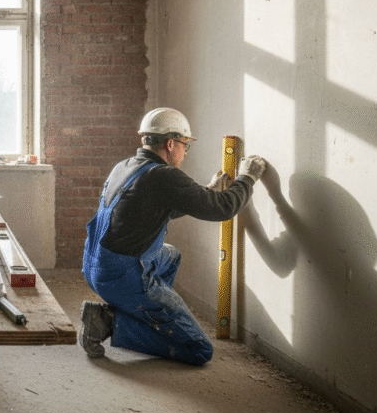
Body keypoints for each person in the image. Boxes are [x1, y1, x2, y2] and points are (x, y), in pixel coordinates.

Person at [79, 107, 266, 365]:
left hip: (95, 266)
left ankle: (147, 313)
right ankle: (109, 323)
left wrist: (206, 190)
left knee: (171, 255)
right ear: (170, 143)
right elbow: (223, 208)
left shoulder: (126, 167)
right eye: (184, 146)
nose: (184, 152)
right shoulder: (164, 176)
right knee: (200, 350)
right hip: (122, 276)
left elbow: (155, 210)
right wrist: (247, 178)